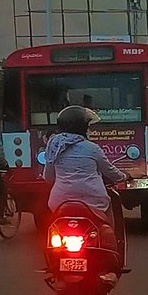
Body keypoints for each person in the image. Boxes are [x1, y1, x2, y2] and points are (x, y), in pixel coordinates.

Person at [42, 106, 129, 257]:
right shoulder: (92, 148)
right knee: (107, 225)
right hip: (93, 200)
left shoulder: (53, 147)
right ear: (82, 127)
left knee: (54, 227)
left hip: (59, 201)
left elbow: (49, 177)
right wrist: (124, 176)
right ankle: (113, 254)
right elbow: (111, 172)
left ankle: (52, 258)